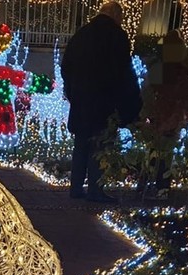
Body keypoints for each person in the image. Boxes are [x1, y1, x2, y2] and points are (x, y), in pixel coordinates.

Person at [60, 1, 141, 203]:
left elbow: (66, 66)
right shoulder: (116, 36)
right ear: (115, 15)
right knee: (101, 145)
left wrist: (72, 91)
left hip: (81, 100)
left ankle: (76, 187)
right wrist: (130, 102)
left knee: (81, 144)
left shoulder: (81, 34)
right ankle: (95, 189)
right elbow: (122, 72)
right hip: (104, 101)